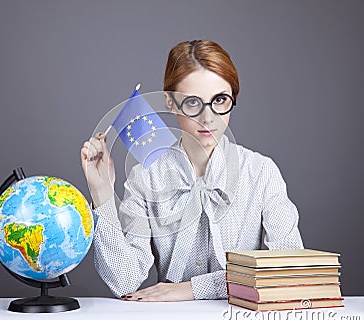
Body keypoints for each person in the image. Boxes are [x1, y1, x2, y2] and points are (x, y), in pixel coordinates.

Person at [80, 40, 304, 302]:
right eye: (192, 103)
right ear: (171, 103)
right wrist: (102, 191)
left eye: (220, 100)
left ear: (233, 97)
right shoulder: (145, 177)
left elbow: (289, 268)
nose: (208, 118)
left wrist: (193, 289)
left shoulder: (261, 173)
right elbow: (124, 281)